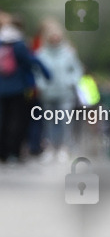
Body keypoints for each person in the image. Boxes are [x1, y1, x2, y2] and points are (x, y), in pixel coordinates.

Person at [0, 14, 50, 163]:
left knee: (2, 120)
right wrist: (45, 75)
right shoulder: (19, 44)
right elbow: (29, 63)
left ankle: (2, 152)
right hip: (18, 88)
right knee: (17, 121)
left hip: (1, 88)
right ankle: (13, 152)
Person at [35, 21, 84, 162]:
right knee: (48, 121)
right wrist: (41, 85)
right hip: (48, 93)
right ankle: (49, 147)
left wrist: (70, 82)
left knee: (64, 121)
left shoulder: (68, 53)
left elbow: (77, 70)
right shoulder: (41, 54)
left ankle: (63, 147)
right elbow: (37, 72)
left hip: (65, 93)